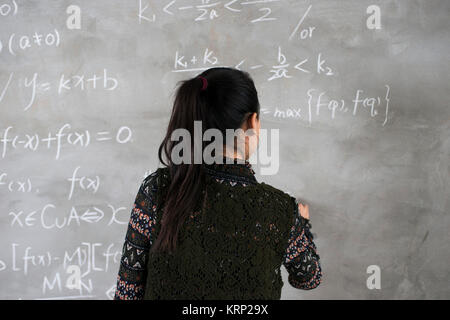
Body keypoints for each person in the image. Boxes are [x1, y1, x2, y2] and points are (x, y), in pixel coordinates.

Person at [114, 67, 322, 300]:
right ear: (253, 122)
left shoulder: (157, 189)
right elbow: (308, 277)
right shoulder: (280, 210)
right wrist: (301, 223)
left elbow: (127, 293)